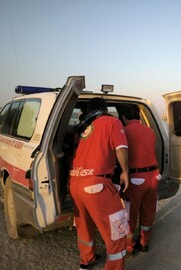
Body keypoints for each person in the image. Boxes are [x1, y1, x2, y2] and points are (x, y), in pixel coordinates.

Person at [68, 98, 129, 270]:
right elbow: (121, 148)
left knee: (84, 225)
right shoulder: (112, 121)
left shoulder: (82, 128)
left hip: (75, 182)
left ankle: (86, 260)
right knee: (117, 230)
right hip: (96, 184)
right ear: (105, 109)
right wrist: (125, 171)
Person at [120, 104, 160, 256]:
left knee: (130, 214)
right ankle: (144, 243)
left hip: (136, 178)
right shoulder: (149, 131)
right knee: (148, 211)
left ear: (123, 117)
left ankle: (129, 247)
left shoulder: (124, 131)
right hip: (153, 176)